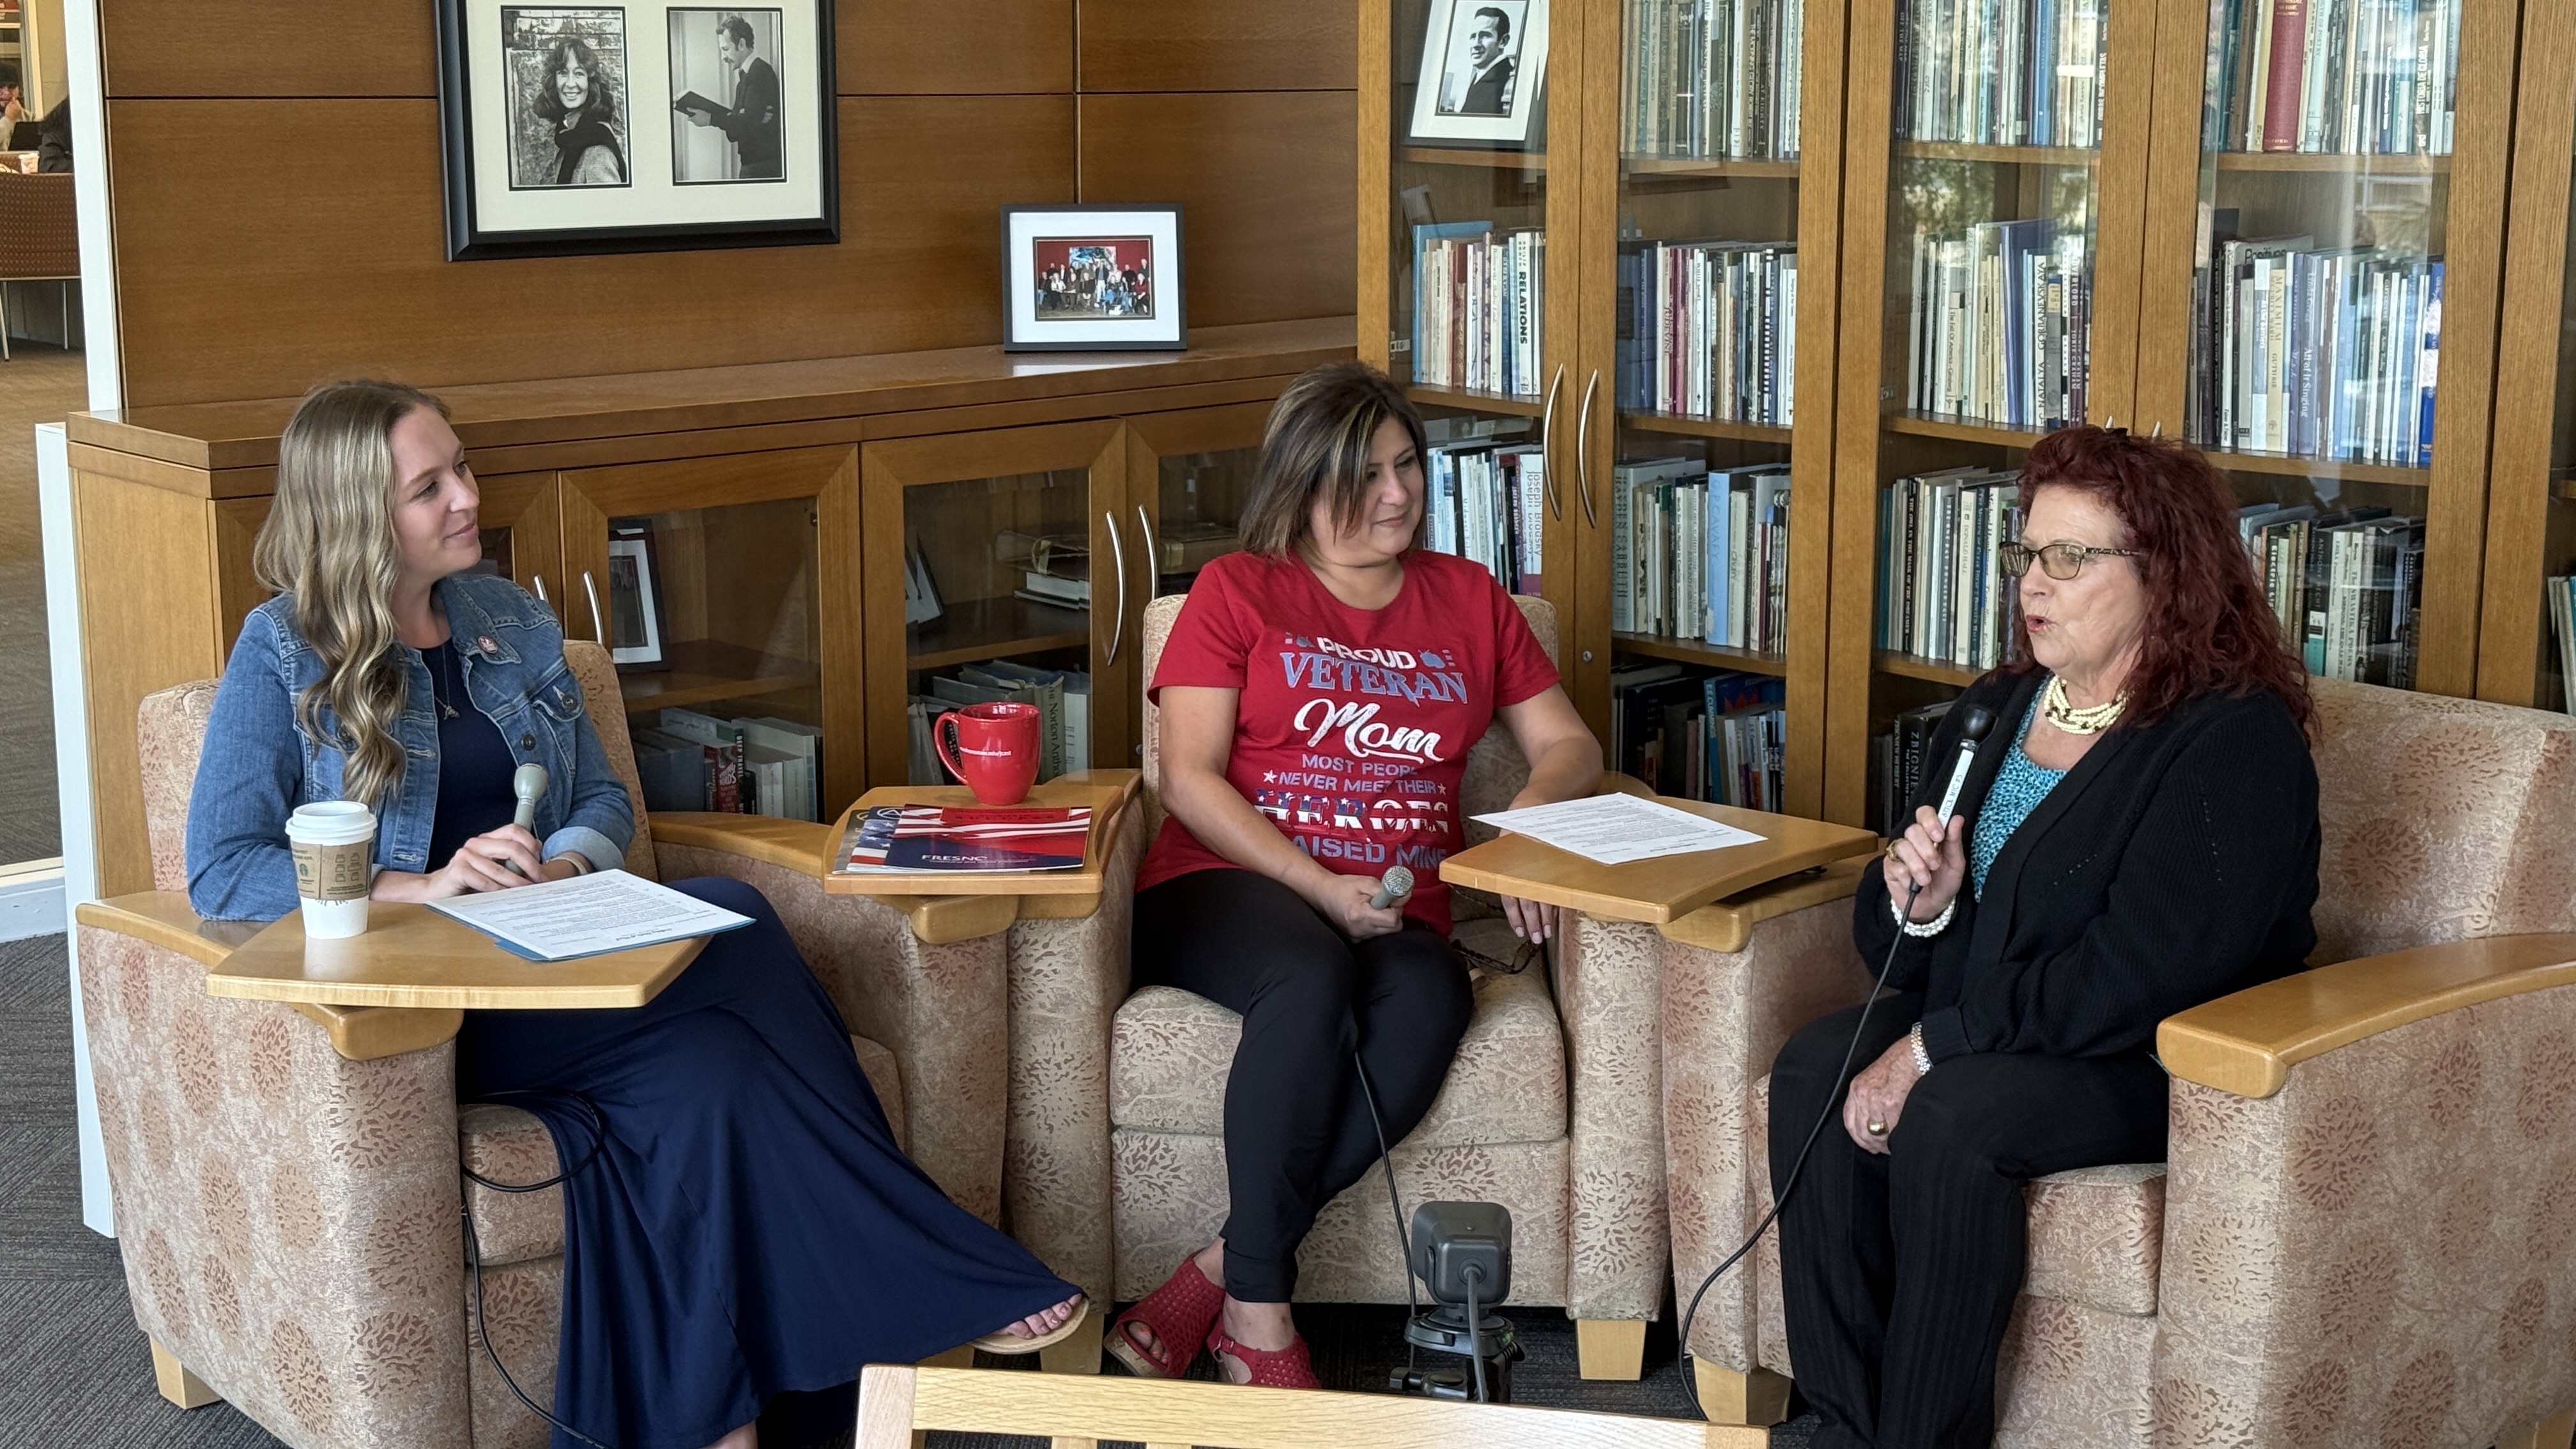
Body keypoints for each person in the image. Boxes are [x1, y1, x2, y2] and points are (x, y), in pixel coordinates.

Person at [185, 380, 1083, 1449]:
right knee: (733, 938)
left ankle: (720, 1422)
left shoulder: (505, 616)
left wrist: (565, 865)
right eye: (431, 487)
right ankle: (936, 1260)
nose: (469, 496)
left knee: (718, 1053)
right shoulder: (282, 649)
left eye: (460, 467)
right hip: (432, 1007)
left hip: (565, 955)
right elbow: (221, 871)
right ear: (355, 514)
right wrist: (425, 885)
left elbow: (607, 799)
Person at [1767, 425, 2320, 1449]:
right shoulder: (1998, 706)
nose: (2036, 584)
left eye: (2073, 558)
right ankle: (1844, 1425)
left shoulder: (2230, 739)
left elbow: (2136, 975)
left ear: (2167, 572)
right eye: (2028, 555)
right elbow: (1897, 932)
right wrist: (1918, 905)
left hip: (2150, 1056)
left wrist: (1933, 1046)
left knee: (1956, 1115)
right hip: (1997, 1018)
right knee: (1812, 1068)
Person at [1107, 362, 1603, 1388]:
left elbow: (1570, 746)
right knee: (1308, 976)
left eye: (1407, 465)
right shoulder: (1238, 590)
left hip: (1394, 913)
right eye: (1364, 474)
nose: (1397, 493)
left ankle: (1217, 1271)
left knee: (1430, 1002)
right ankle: (1261, 1320)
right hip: (1221, 885)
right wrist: (1318, 888)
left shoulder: (1469, 599)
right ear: (1302, 482)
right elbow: (1187, 780)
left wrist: (1527, 826)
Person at [684, 15, 781, 180]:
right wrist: (746, 119)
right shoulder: (745, 79)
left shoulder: (759, 72)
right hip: (753, 166)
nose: (723, 57)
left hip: (762, 169)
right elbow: (735, 133)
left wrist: (710, 119)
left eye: (725, 49)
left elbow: (746, 123)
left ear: (741, 44)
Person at [535, 36, 625, 186]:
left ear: (590, 83)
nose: (570, 84)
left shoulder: (598, 152)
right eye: (563, 73)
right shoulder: (569, 135)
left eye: (579, 73)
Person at [1445, 7, 1517, 116]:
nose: (1475, 44)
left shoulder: (1508, 81)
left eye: (1485, 36)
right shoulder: (1480, 76)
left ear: (1503, 41)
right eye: (1473, 37)